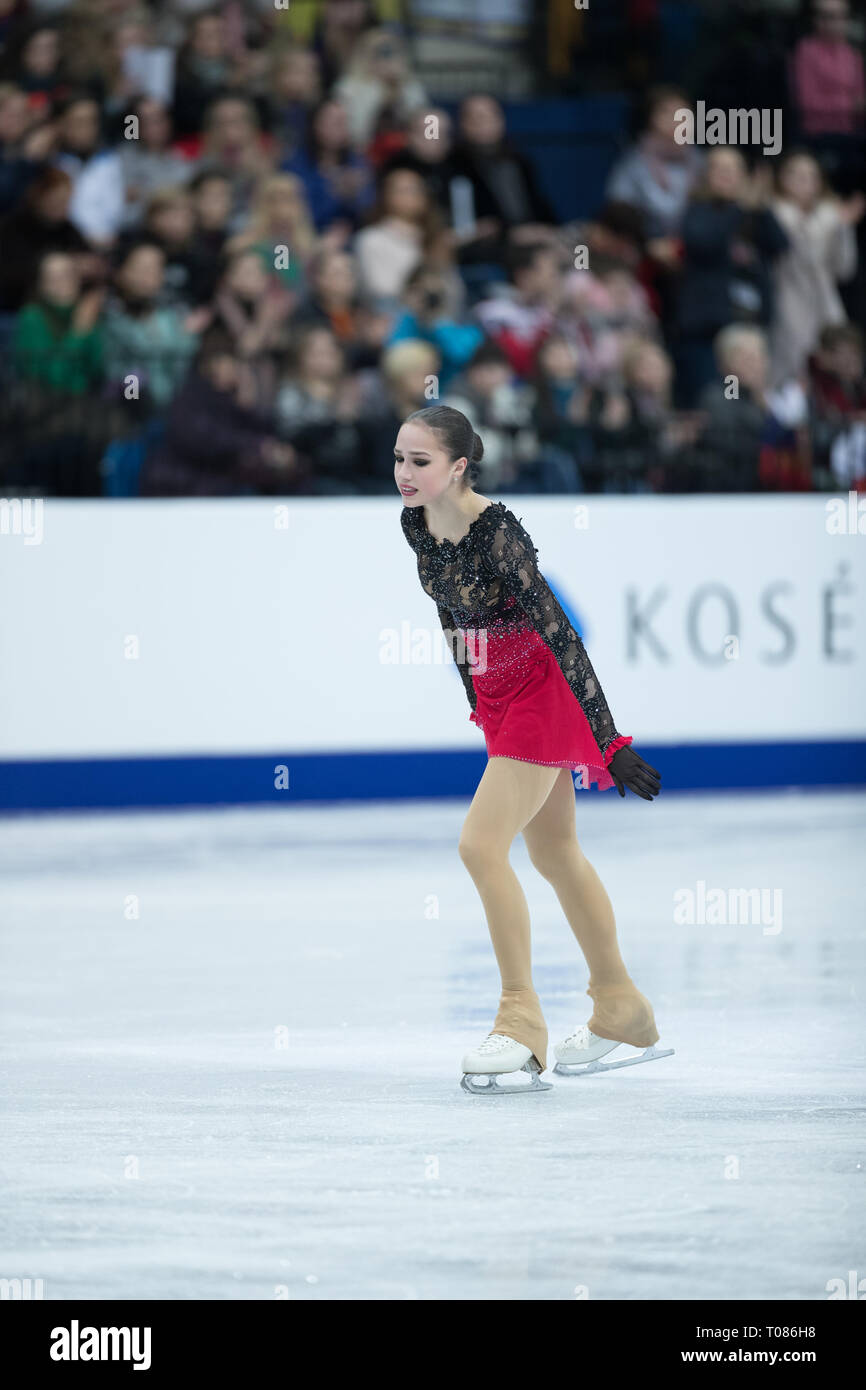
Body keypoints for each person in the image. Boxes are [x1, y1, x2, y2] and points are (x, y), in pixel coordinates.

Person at [396, 403, 665, 1093]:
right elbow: (448, 612)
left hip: (543, 693)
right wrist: (473, 693)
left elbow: (563, 635)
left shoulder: (499, 532)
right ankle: (621, 1005)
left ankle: (520, 1023)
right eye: (398, 459)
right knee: (553, 852)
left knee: (479, 847)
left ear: (459, 466)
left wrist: (609, 743)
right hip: (499, 697)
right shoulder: (415, 523)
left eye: (419, 461)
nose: (404, 473)